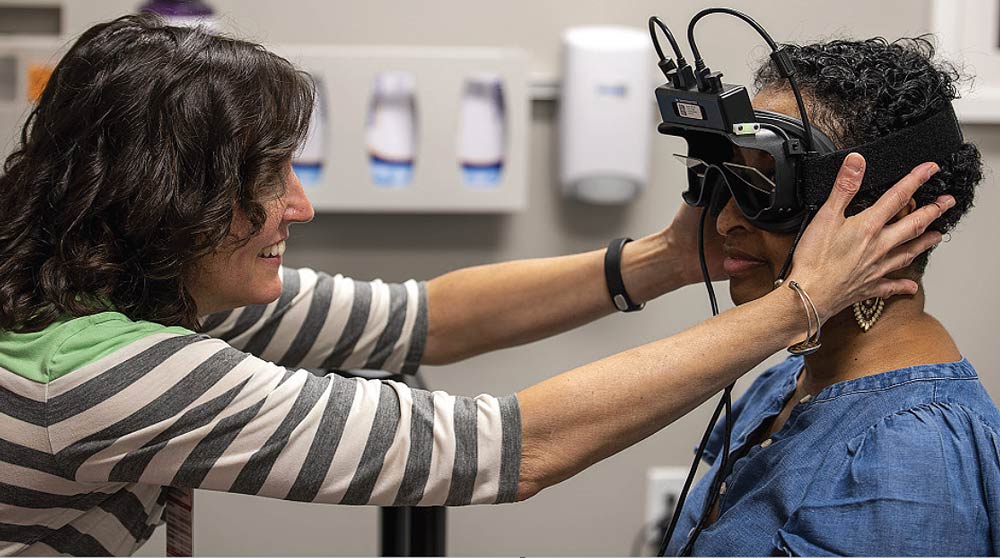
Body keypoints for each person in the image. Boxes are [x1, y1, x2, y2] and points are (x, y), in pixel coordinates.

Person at [0, 16, 950, 556]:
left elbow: (424, 322)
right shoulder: (102, 373)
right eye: (268, 179)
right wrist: (799, 305)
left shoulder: (135, 289)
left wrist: (670, 257)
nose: (300, 205)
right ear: (171, 200)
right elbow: (506, 449)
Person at [663, 37, 997, 557]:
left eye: (766, 185)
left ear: (891, 213)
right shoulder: (789, 378)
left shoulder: (910, 456)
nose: (726, 220)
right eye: (728, 182)